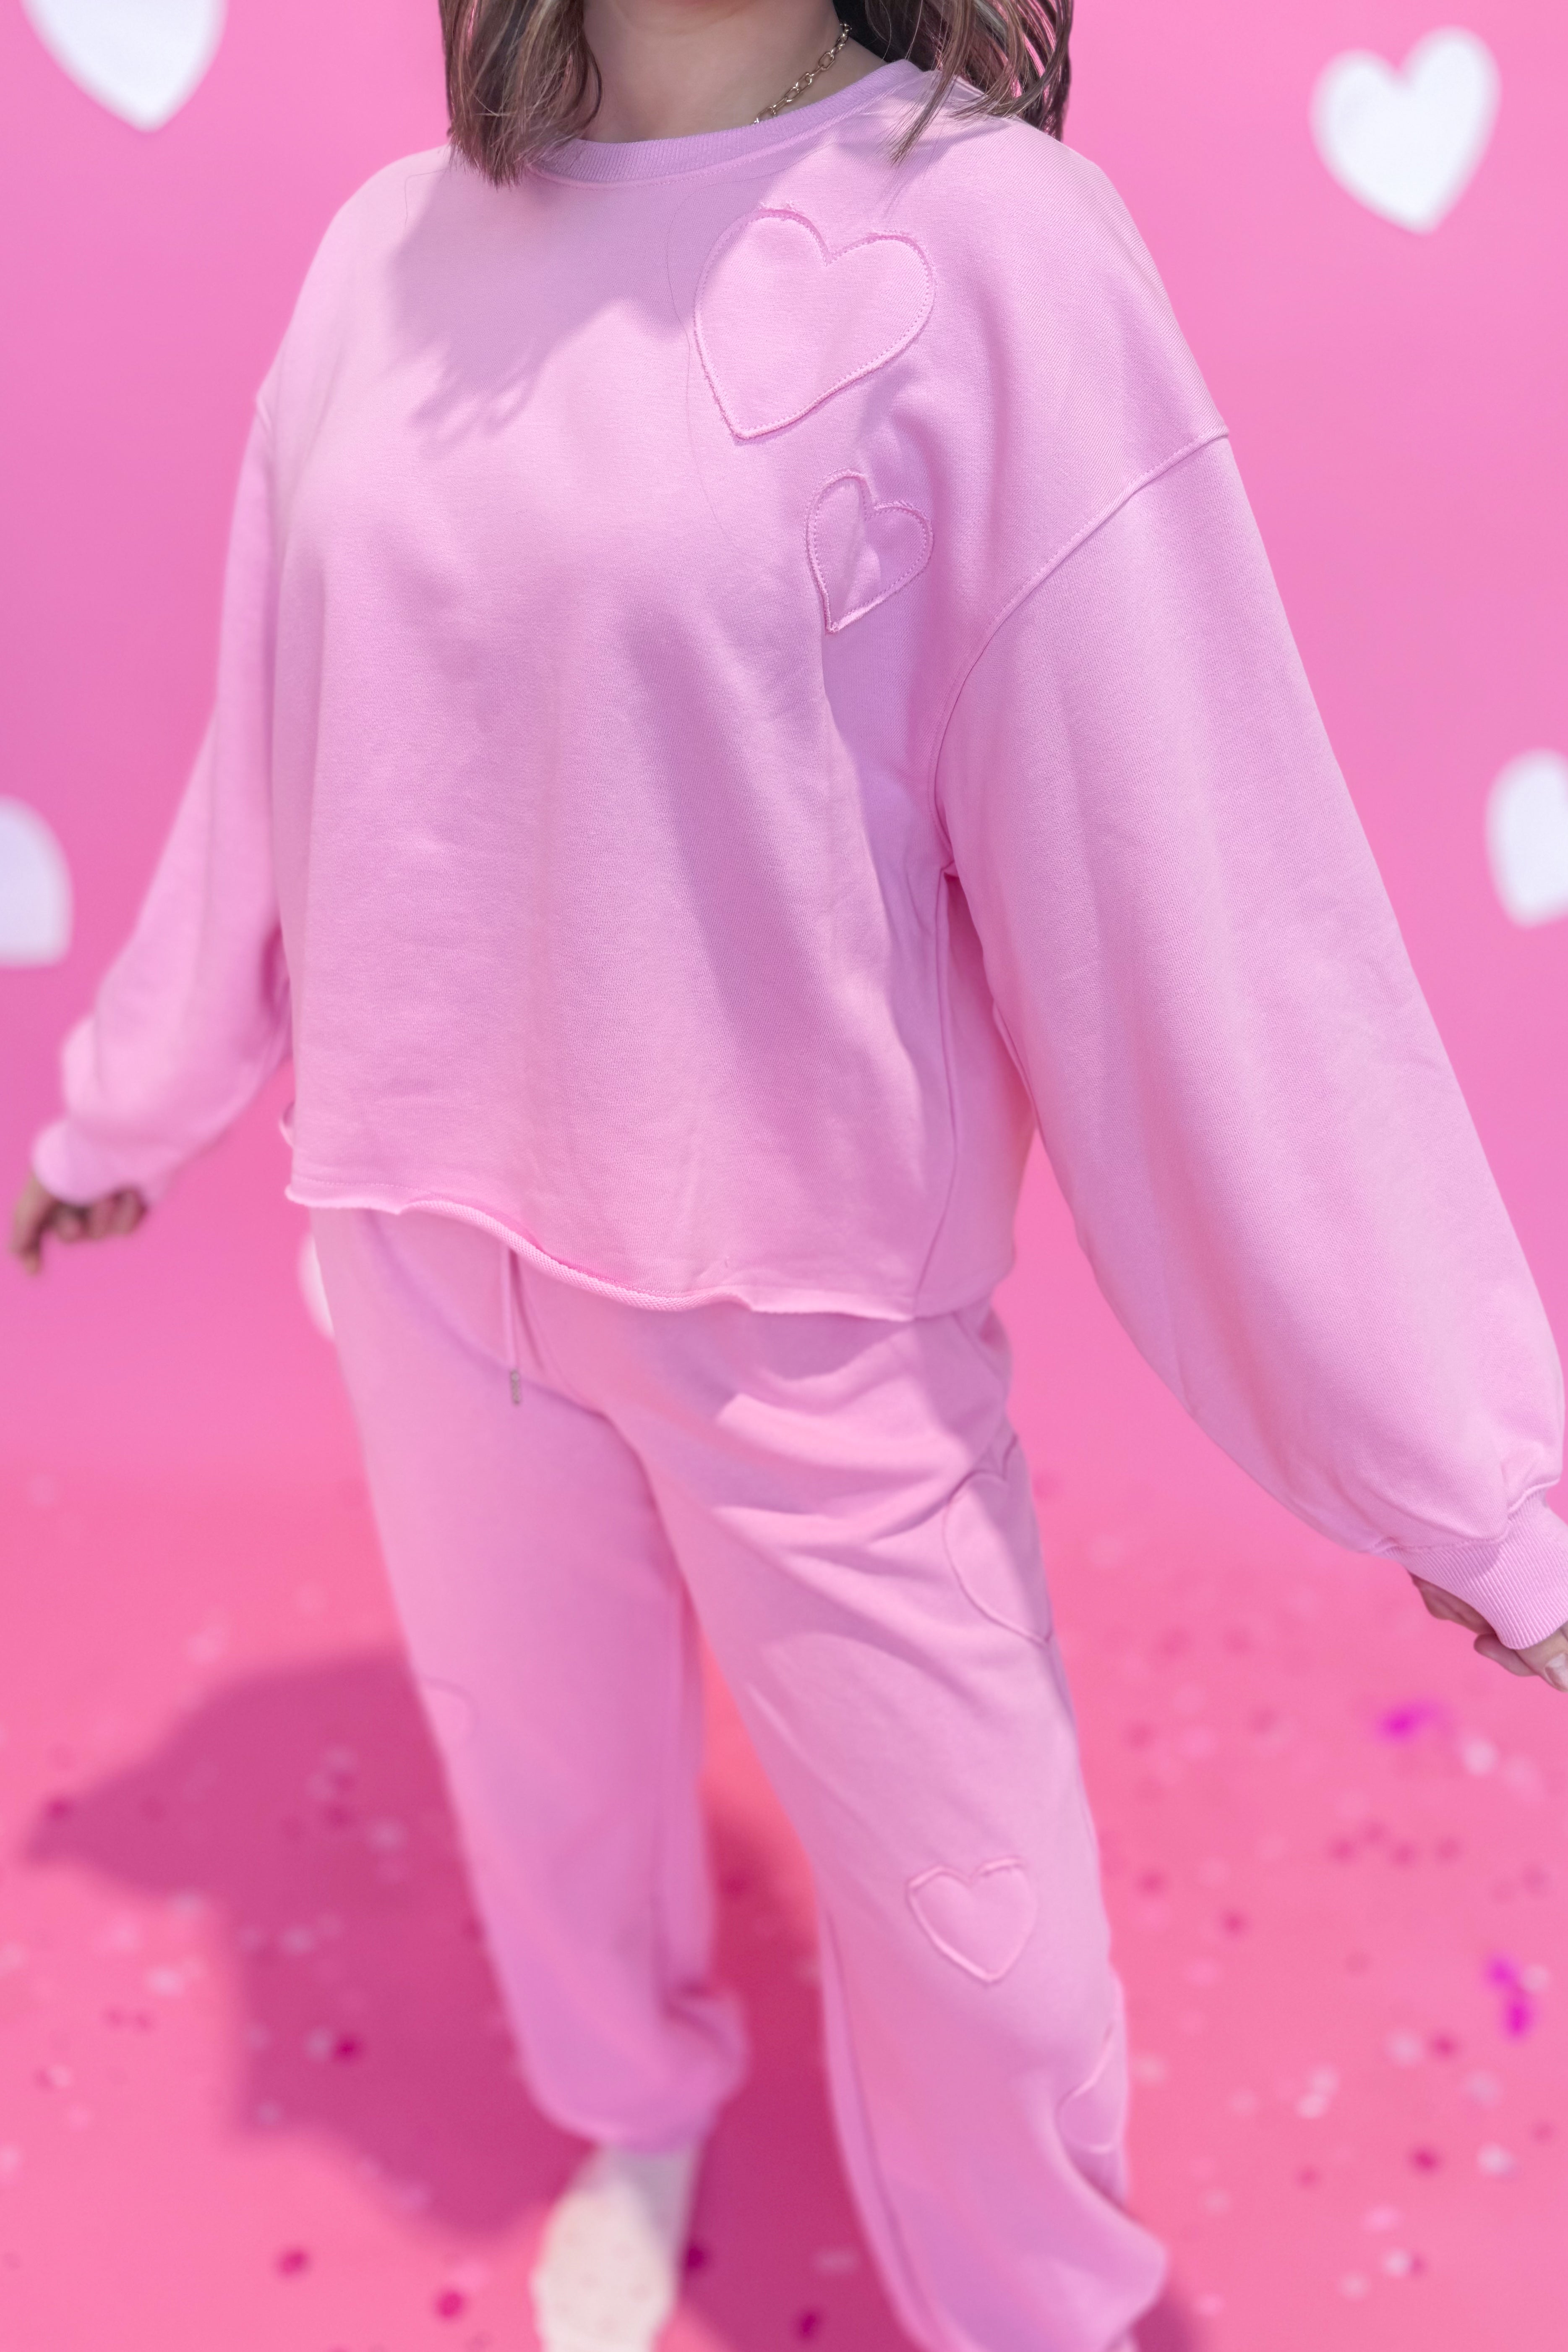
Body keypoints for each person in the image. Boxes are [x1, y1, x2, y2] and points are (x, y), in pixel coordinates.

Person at [12, 5, 1568, 2348]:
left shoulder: (995, 251)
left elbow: (1203, 895)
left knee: (993, 1956)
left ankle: (1036, 2310)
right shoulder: (385, 257)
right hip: (415, 1243)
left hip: (800, 1303)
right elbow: (277, 739)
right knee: (551, 1797)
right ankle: (634, 2104)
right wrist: (124, 1111)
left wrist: (1464, 1473)